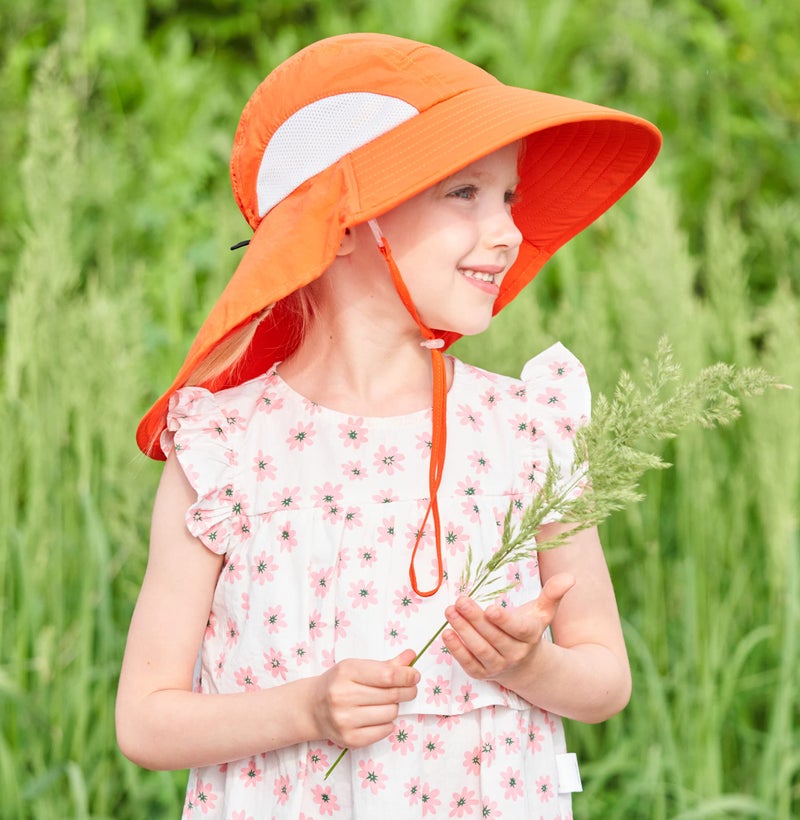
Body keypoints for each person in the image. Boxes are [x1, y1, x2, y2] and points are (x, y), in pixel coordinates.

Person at [116, 33, 661, 819]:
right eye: (464, 193)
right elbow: (145, 718)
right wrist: (303, 710)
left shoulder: (525, 431)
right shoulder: (227, 447)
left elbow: (606, 678)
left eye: (507, 196)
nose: (508, 231)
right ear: (346, 222)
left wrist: (531, 665)